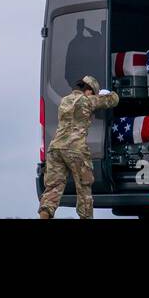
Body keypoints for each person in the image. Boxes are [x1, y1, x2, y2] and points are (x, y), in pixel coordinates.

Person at [37, 75, 118, 219]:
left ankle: (44, 215)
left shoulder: (64, 100)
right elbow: (113, 100)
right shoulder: (87, 100)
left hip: (55, 148)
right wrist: (106, 94)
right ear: (89, 91)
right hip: (75, 149)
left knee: (53, 188)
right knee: (84, 189)